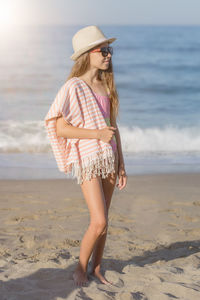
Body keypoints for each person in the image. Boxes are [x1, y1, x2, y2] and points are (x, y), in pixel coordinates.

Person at [44, 25, 127, 287]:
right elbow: (59, 127)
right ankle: (80, 269)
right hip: (89, 159)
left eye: (109, 50)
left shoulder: (107, 84)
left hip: (110, 157)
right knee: (98, 220)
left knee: (105, 222)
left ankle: (98, 268)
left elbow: (114, 128)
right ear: (87, 54)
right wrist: (96, 135)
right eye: (102, 50)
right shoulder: (73, 86)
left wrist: (121, 163)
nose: (108, 55)